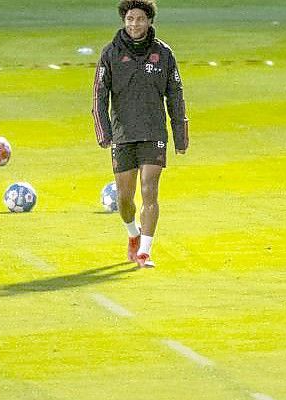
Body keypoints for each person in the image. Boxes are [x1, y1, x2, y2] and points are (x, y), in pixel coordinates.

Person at [92, 0, 188, 268]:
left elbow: (176, 96)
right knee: (125, 199)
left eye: (140, 19)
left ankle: (145, 252)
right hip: (123, 135)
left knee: (150, 190)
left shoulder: (164, 54)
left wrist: (180, 136)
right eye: (130, 19)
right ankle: (133, 234)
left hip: (153, 132)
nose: (134, 24)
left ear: (149, 22)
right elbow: (99, 95)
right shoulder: (110, 53)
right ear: (124, 21)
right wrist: (104, 131)